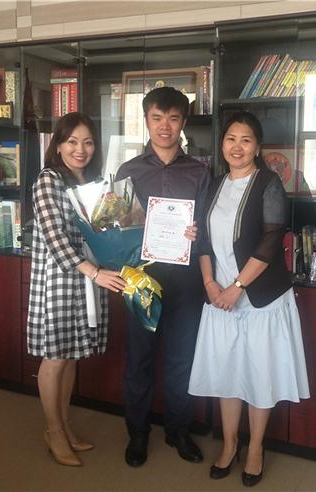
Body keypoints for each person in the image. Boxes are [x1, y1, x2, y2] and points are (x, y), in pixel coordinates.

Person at [188, 111, 310, 486]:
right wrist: (210, 283)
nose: (237, 147)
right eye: (231, 139)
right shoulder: (213, 185)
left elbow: (271, 241)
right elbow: (203, 240)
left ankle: (255, 448)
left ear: (257, 147)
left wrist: (236, 287)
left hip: (260, 299)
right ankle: (230, 444)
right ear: (222, 144)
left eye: (246, 140)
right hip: (219, 298)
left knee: (259, 373)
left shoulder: (268, 183)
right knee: (227, 372)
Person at [116, 87, 211, 467]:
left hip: (186, 281)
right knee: (139, 360)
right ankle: (138, 433)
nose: (165, 126)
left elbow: (208, 226)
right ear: (147, 120)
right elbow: (115, 228)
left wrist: (196, 232)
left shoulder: (200, 171)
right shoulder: (128, 171)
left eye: (173, 118)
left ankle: (178, 430)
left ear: (183, 122)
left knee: (180, 360)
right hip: (142, 279)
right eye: (157, 118)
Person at [27, 112, 125, 467]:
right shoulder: (48, 181)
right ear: (58, 145)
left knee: (69, 357)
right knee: (54, 358)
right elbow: (55, 238)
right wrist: (95, 273)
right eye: (72, 142)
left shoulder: (93, 182)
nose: (80, 149)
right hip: (60, 279)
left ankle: (64, 425)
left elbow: (106, 229)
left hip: (88, 278)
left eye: (87, 142)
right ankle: (53, 431)